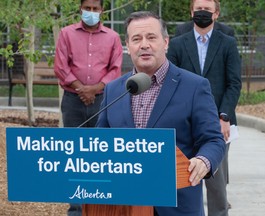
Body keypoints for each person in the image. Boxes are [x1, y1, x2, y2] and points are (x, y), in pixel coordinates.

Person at [96, 11, 226, 216]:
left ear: (166, 42)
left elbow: (213, 140)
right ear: (128, 46)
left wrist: (204, 160)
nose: (144, 45)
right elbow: (100, 143)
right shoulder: (113, 90)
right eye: (136, 39)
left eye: (151, 37)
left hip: (176, 205)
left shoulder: (195, 86)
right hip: (124, 205)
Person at [166, 0, 242, 216]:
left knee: (216, 183)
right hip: (183, 121)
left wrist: (224, 116)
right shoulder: (179, 43)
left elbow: (234, 83)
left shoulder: (227, 43)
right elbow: (171, 80)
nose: (202, 13)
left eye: (207, 10)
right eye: (198, 9)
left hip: (219, 122)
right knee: (183, 176)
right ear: (191, 11)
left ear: (216, 14)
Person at [53, 0, 123, 215]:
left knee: (101, 154)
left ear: (102, 10)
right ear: (80, 9)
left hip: (103, 101)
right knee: (74, 155)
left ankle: (101, 206)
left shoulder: (113, 37)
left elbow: (115, 68)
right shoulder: (66, 34)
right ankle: (76, 209)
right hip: (73, 101)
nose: (91, 12)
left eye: (95, 8)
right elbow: (61, 65)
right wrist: (81, 88)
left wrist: (94, 89)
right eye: (87, 8)